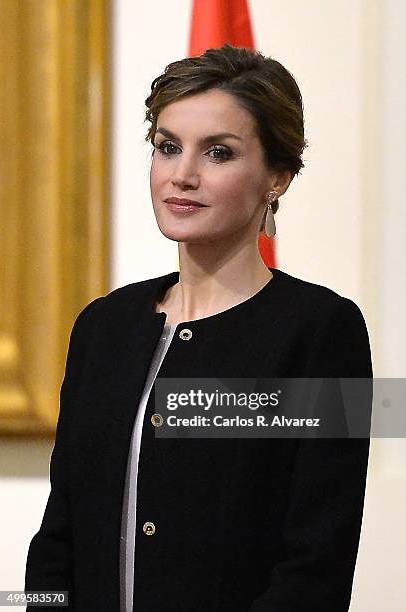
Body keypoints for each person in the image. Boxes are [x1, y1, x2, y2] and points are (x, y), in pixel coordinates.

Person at [25, 44, 372, 611]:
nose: (182, 175)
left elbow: (317, 566)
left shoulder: (325, 331)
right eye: (167, 148)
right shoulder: (101, 327)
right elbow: (58, 534)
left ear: (277, 177)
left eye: (218, 152)